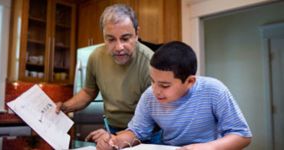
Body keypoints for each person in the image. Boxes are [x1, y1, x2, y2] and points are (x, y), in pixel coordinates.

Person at [96, 41, 252, 150]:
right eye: (152, 81)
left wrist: (208, 147)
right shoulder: (150, 97)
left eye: (164, 85)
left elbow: (242, 136)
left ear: (190, 81)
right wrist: (115, 140)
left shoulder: (214, 90)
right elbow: (136, 132)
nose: (156, 90)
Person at [56, 4, 154, 143]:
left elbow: (153, 114)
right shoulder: (95, 57)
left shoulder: (150, 63)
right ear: (103, 37)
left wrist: (119, 138)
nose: (119, 47)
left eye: (125, 38)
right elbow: (88, 92)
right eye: (111, 39)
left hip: (145, 133)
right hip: (112, 128)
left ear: (137, 34)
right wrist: (65, 107)